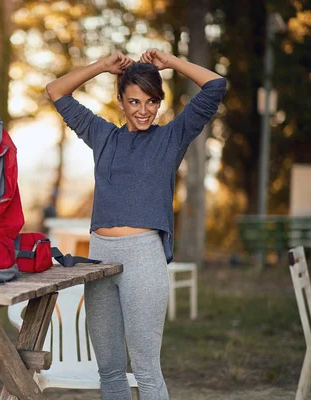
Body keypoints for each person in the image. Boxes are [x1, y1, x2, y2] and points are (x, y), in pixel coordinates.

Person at [46, 49, 226, 400]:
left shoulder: (170, 138)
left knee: (145, 370)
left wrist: (172, 62)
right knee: (110, 371)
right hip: (99, 260)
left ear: (160, 102)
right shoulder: (103, 136)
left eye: (151, 102)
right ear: (121, 102)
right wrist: (101, 66)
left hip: (144, 258)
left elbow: (215, 85)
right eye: (134, 102)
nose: (143, 110)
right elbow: (56, 90)